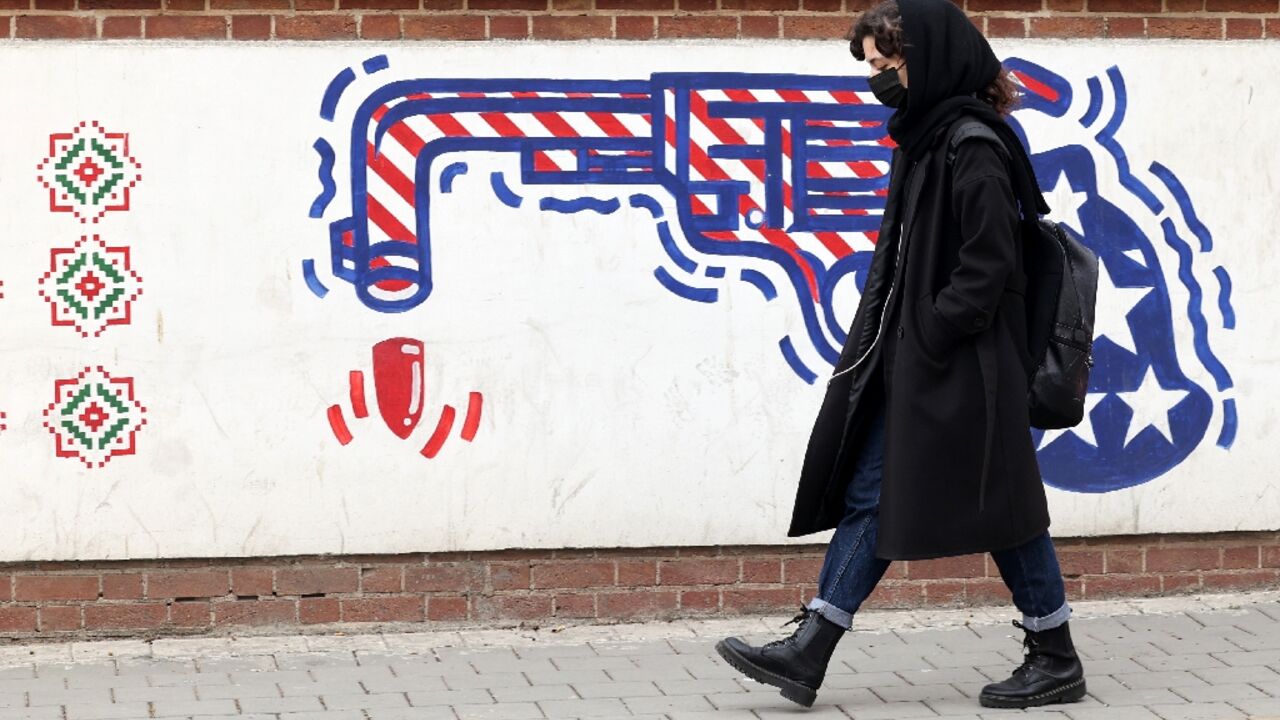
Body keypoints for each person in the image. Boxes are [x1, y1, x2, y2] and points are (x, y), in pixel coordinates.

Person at [715, 0, 1087, 710]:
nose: (880, 82)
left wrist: (932, 333)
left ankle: (1055, 655)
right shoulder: (931, 137)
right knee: (880, 494)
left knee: (1005, 510)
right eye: (874, 69)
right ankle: (812, 649)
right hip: (930, 362)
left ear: (934, 57)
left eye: (889, 66)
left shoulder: (971, 145)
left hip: (966, 366)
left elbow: (986, 266)